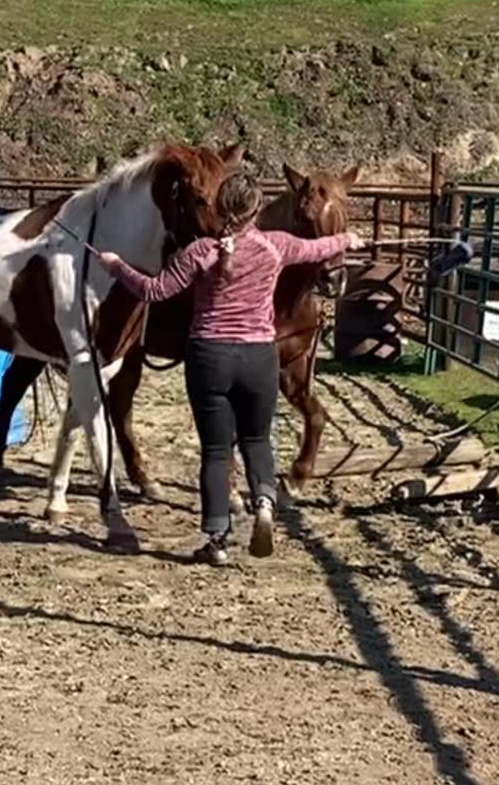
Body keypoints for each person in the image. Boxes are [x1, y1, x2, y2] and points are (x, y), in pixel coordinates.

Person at [98, 172, 365, 567]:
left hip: (209, 356)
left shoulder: (200, 252)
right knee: (256, 440)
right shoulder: (277, 245)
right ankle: (265, 504)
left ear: (221, 207)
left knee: (216, 451)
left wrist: (116, 265)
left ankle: (217, 539)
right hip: (258, 356)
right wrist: (348, 239)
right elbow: (318, 247)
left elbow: (154, 291)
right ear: (258, 210)